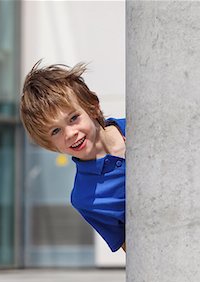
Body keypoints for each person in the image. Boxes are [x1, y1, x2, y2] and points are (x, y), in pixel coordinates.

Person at [20, 61, 126, 252]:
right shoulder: (86, 199)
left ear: (93, 107)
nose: (69, 134)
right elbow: (136, 253)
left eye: (73, 118)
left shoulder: (144, 126)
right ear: (50, 144)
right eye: (55, 131)